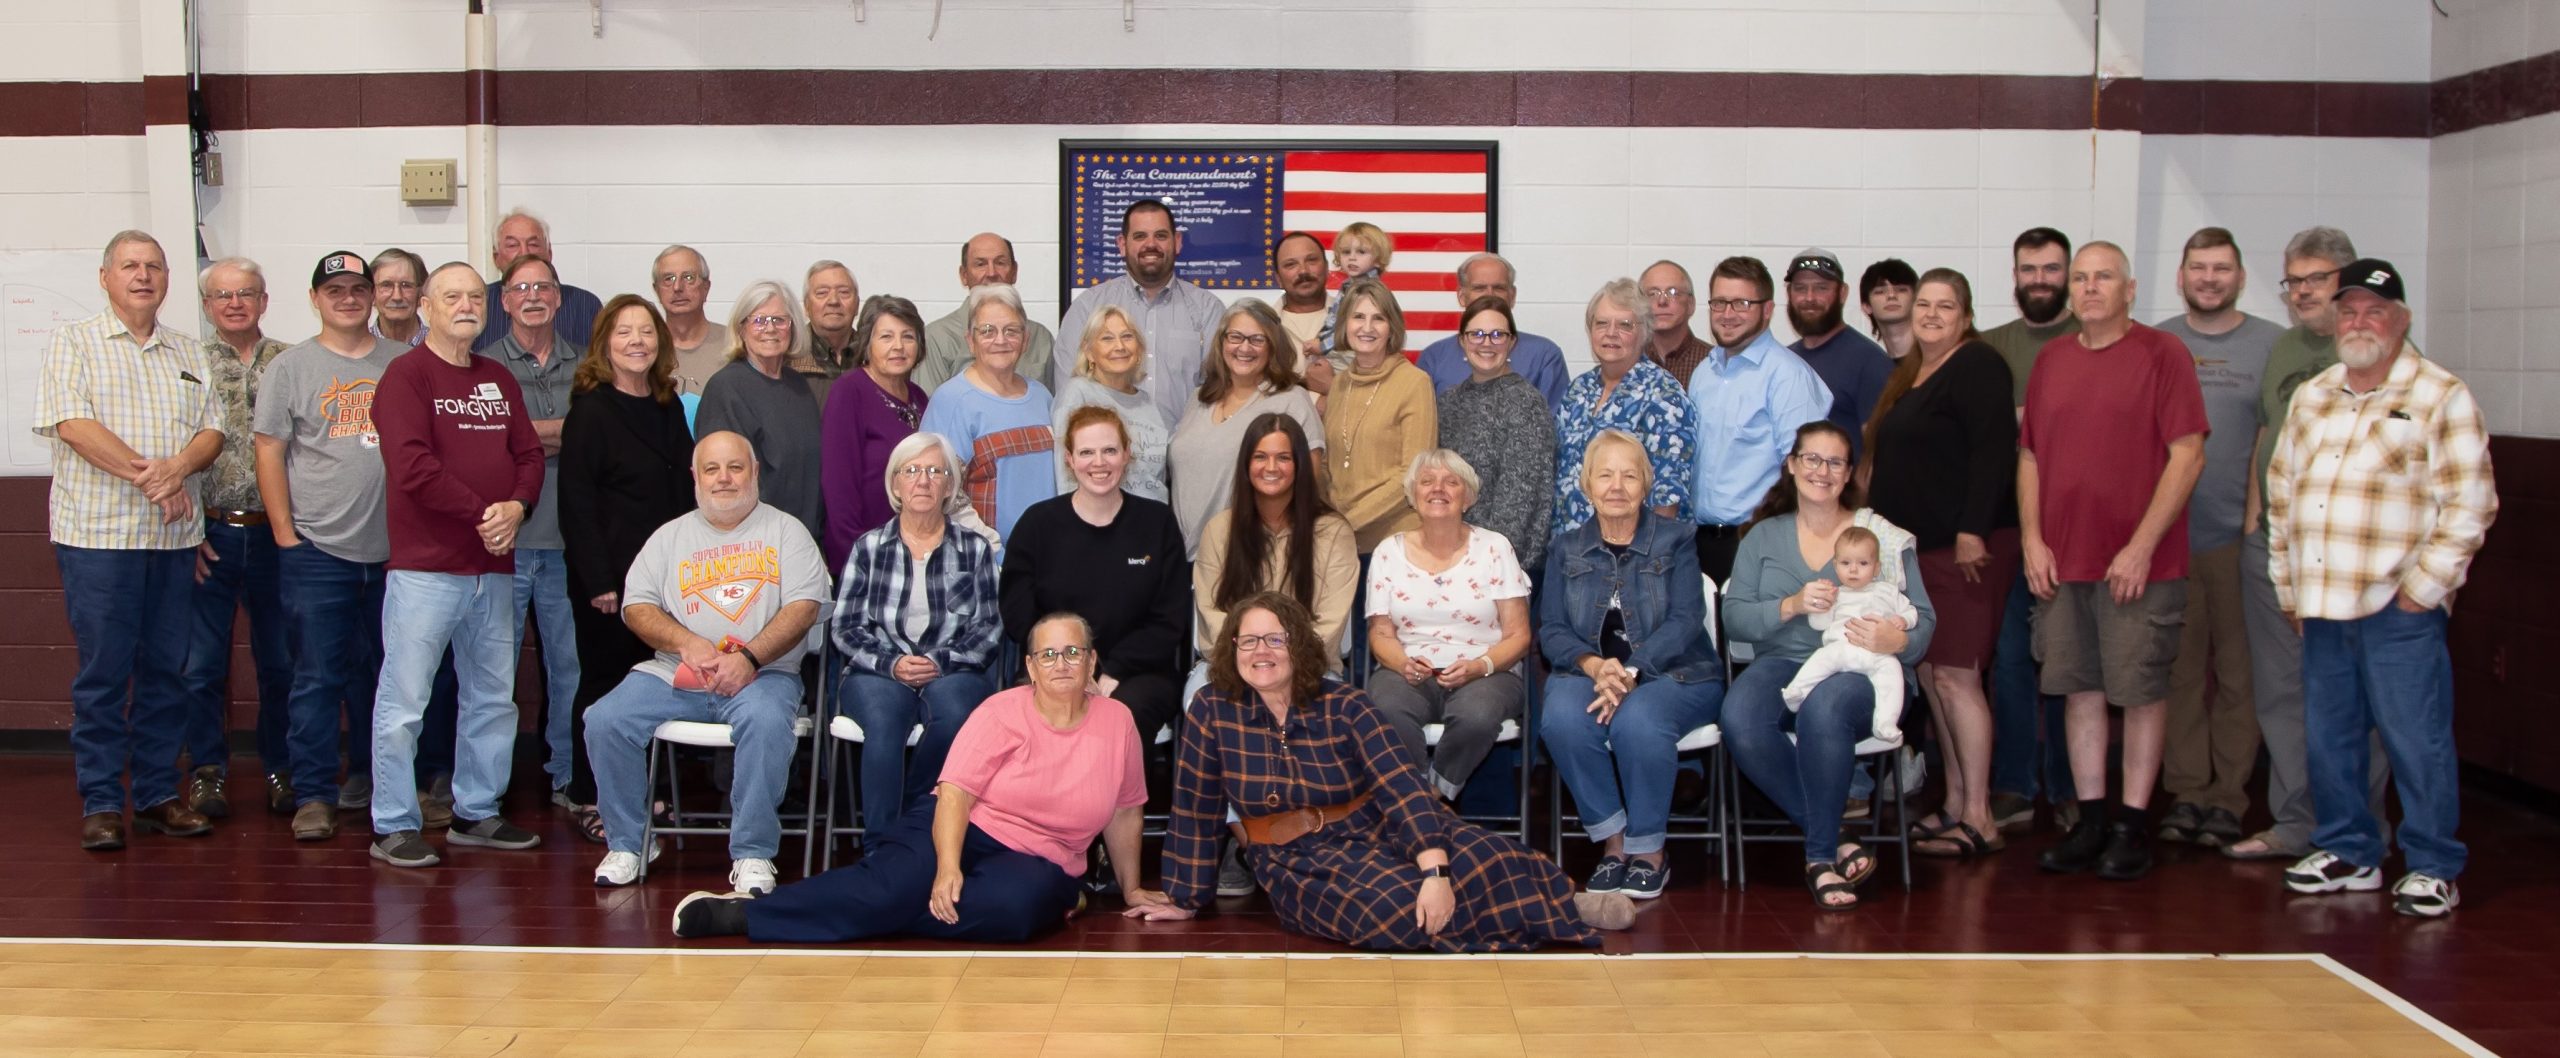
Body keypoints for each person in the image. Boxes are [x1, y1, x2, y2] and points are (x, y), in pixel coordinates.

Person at [1125, 592, 1635, 948]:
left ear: (1298, 646)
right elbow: (1194, 810)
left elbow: (1401, 788)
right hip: (1293, 857)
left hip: (1374, 823)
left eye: (1275, 640)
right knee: (1395, 910)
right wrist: (1186, 898)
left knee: (1483, 856)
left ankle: (1567, 901)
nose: (1261, 652)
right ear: (1231, 649)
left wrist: (1434, 868)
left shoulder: (1346, 704)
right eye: (1248, 641)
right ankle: (1541, 915)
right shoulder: (1212, 711)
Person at [675, 614, 1149, 943]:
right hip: (960, 824)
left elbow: (1126, 810)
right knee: (889, 885)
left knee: (1017, 913)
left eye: (1072, 652)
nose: (1061, 664)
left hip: (1042, 857)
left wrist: (1131, 890)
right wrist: (947, 868)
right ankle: (747, 914)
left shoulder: (1117, 721)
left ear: (1092, 661)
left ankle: (879, 912)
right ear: (1029, 666)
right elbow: (956, 795)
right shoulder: (1001, 711)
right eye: (1047, 655)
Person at [2268, 259, 2495, 919]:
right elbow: (2283, 496)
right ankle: (2349, 850)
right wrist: (2290, 590)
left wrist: (2422, 591)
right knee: (2328, 736)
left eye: (2374, 311)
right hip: (2321, 604)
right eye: (2349, 311)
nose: (2359, 322)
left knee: (2415, 738)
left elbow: (2470, 506)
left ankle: (2432, 863)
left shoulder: (2439, 395)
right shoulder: (2314, 395)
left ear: (2401, 321)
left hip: (2399, 609)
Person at [2019, 241, 2207, 883]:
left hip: (2138, 564)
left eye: (2104, 277)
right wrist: (2031, 539)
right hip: (2061, 560)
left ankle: (2131, 826)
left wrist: (2142, 546)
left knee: (2141, 690)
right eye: (2081, 278)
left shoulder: (2164, 355)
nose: (2090, 288)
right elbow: (2031, 458)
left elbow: (2187, 456)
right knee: (2080, 688)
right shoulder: (2051, 360)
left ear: (2130, 288)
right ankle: (2091, 820)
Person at [42, 231, 225, 850]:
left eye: (153, 266)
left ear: (168, 278)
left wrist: (180, 468)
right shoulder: (75, 341)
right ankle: (100, 802)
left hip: (173, 542)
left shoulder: (189, 350)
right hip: (98, 539)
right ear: (105, 277)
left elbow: (213, 434)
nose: (142, 276)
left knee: (165, 674)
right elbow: (73, 425)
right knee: (102, 675)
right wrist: (156, 476)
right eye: (129, 266)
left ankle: (154, 795)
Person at [585, 431, 827, 894]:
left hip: (765, 674)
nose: (724, 479)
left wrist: (750, 657)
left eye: (735, 467)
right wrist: (686, 641)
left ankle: (753, 853)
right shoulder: (669, 536)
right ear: (696, 477)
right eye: (712, 469)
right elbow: (636, 607)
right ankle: (629, 842)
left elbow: (804, 607)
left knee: (766, 720)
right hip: (677, 673)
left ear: (755, 473)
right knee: (604, 719)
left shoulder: (785, 530)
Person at [367, 261, 547, 869]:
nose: (466, 304)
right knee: (406, 700)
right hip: (425, 569)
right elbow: (412, 466)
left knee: (493, 697)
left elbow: (528, 453)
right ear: (425, 306)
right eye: (452, 296)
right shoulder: (406, 376)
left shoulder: (498, 377)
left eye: (475, 296)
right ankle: (392, 822)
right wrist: (486, 515)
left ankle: (477, 810)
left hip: (491, 569)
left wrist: (518, 507)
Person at [2224, 226, 2395, 863]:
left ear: (2348, 282)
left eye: (2315, 279)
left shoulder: (2379, 352)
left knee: (2355, 696)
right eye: (2293, 280)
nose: (2300, 292)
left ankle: (2359, 830)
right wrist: (2251, 526)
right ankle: (2297, 824)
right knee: (2282, 694)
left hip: (2350, 559)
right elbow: (2266, 437)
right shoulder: (2283, 347)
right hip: (2273, 548)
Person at [1723, 422, 1935, 909]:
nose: (1821, 470)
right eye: (1811, 459)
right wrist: (1791, 605)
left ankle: (1819, 858)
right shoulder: (1762, 537)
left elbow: (1923, 622)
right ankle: (1836, 835)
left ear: (1848, 474)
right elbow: (1734, 619)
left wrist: (1895, 637)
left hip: (1866, 670)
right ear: (1792, 465)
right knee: (1740, 718)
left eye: (1834, 462)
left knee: (1825, 709)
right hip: (1784, 662)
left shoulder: (1878, 536)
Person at [1862, 268, 2020, 857]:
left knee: (1958, 675)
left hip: (1965, 551)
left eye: (1944, 305)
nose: (1930, 314)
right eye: (1923, 304)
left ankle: (1980, 816)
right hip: (1917, 552)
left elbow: (1992, 450)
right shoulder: (1912, 373)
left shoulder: (1977, 365)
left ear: (1966, 313)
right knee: (1931, 675)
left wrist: (1972, 530)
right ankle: (1954, 803)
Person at [254, 251, 412, 840]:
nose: (347, 297)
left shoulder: (403, 362)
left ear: (373, 296)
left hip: (397, 552)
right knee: (316, 677)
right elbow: (268, 448)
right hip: (317, 549)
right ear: (316, 298)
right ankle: (314, 793)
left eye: (357, 288)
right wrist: (285, 536)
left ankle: (379, 784)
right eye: (334, 289)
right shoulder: (291, 367)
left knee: (388, 677)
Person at [1540, 430, 1725, 899]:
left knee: (1638, 720)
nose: (1616, 486)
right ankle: (1613, 844)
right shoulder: (1566, 547)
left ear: (1646, 484)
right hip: (1591, 674)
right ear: (1586, 485)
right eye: (1605, 475)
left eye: (1629, 475)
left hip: (1676, 674)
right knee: (1562, 717)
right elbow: (1553, 631)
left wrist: (1632, 669)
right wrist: (1594, 665)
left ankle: (1649, 853)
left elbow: (1686, 620)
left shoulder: (1677, 538)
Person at [2153, 227, 2281, 850]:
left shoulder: (2271, 346)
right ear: (2180, 276)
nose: (2209, 278)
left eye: (2221, 268)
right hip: (2168, 540)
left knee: (2238, 674)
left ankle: (2228, 797)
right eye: (2198, 267)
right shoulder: (2156, 344)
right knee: (2177, 673)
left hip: (2239, 538)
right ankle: (2186, 792)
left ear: (2239, 277)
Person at [557, 295, 695, 845]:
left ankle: (641, 790)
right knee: (603, 688)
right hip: (610, 582)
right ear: (604, 345)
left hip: (663, 580)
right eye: (624, 333)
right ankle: (593, 796)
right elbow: (576, 503)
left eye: (646, 332)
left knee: (651, 687)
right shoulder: (591, 409)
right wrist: (599, 582)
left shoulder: (666, 404)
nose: (637, 341)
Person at [831, 432, 1001, 842]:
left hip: (953, 669)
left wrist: (940, 662)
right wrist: (891, 664)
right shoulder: (869, 548)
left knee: (958, 717)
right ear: (895, 485)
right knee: (885, 723)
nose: (923, 481)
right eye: (912, 471)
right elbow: (846, 626)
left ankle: (914, 823)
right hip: (877, 672)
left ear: (948, 486)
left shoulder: (974, 549)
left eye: (934, 471)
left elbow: (989, 627)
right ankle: (882, 849)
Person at [1000, 406, 1189, 745]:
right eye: (1086, 452)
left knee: (1115, 719)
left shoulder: (1156, 523)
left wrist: (1113, 669)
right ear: (1070, 460)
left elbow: (1169, 619)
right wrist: (1071, 664)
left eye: (1109, 451)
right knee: (1034, 716)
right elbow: (1018, 612)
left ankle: (1119, 801)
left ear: (1127, 455)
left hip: (1138, 673)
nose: (1099, 463)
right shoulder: (1037, 525)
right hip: (1053, 666)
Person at [180, 255, 291, 820]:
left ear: (264, 301)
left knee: (280, 662)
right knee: (201, 665)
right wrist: (188, 527)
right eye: (222, 295)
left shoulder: (291, 361)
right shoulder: (186, 362)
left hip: (277, 535)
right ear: (207, 306)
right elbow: (175, 440)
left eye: (247, 292)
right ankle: (207, 772)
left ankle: (281, 767)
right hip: (210, 534)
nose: (235, 303)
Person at [1984, 226, 2085, 833]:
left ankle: (2074, 788)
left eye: (2052, 269)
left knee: (2074, 665)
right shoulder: (1992, 348)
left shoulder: (2092, 341)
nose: (2040, 280)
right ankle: (2015, 785)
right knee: (2014, 661)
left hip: (2077, 535)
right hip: (2009, 530)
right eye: (2029, 269)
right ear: (2015, 275)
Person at [1364, 449, 1534, 800]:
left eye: (1451, 482)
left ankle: (1429, 802)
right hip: (1408, 670)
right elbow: (1380, 633)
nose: (1437, 489)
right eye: (1426, 481)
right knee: (1383, 710)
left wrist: (1479, 666)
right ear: (1412, 495)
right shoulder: (1387, 553)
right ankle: (1418, 804)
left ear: (1467, 497)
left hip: (1489, 670)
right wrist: (1402, 663)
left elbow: (1519, 635)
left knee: (1477, 716)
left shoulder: (1495, 548)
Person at [487, 253, 585, 813]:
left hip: (567, 543)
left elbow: (593, 435)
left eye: (543, 286)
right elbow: (492, 441)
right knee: (494, 673)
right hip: (504, 544)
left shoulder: (589, 365)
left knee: (568, 670)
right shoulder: (482, 367)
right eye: (520, 287)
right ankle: (488, 790)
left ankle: (567, 777)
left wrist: (521, 432)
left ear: (558, 297)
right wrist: (549, 434)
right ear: (504, 300)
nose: (533, 296)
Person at [1689, 255, 1832, 584]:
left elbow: (1805, 472)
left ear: (1767, 310)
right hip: (1701, 544)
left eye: (1741, 303)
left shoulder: (1787, 375)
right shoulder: (1705, 372)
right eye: (1720, 302)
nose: (1727, 314)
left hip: (1758, 544)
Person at [1193, 414, 1359, 678]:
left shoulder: (1334, 532)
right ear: (1246, 464)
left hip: (1309, 669)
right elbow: (1211, 613)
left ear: (1299, 465)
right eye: (1260, 457)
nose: (1271, 467)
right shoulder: (1219, 530)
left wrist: (1279, 662)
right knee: (1199, 698)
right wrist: (1253, 658)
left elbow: (1330, 622)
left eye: (1283, 457)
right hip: (1233, 667)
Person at [1167, 299, 1325, 554]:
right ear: (1221, 342)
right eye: (1236, 337)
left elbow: (1309, 484)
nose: (1244, 347)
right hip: (1185, 557)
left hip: (1251, 555)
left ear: (1273, 345)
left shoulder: (1290, 400)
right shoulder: (1199, 398)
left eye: (1257, 339)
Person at [1054, 200, 1226, 426]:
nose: (1151, 244)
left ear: (1177, 242)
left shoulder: (1208, 309)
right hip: (1108, 455)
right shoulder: (1087, 308)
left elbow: (1220, 392)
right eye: (1140, 236)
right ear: (1122, 244)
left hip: (1185, 453)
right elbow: (1069, 390)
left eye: (1161, 236)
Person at [1555, 278, 1696, 536]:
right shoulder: (1578, 389)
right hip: (1571, 550)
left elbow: (1668, 495)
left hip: (1632, 555)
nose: (1611, 333)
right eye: (1601, 323)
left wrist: (1642, 559)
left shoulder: (1664, 395)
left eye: (1625, 325)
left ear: (1645, 333)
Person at [920, 283, 1057, 541]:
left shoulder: (1042, 397)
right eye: (987, 331)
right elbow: (943, 491)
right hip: (985, 559)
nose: (1000, 340)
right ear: (970, 341)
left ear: (1025, 340)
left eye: (1011, 331)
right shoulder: (951, 400)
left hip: (1046, 551)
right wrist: (991, 551)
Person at [696, 279, 826, 543]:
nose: (770, 329)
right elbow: (725, 485)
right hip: (751, 545)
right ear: (741, 329)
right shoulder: (726, 388)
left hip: (802, 539)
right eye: (759, 320)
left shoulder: (798, 386)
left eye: (780, 320)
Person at [1435, 296, 1555, 574]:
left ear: (1512, 343)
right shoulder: (1448, 402)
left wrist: (1484, 563)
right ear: (1462, 342)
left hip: (1501, 565)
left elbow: (1519, 502)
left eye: (1497, 335)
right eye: (1476, 334)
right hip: (1449, 557)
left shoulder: (1526, 403)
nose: (1486, 343)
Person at [1324, 278, 1438, 555]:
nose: (1366, 328)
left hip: (1395, 543)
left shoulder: (1414, 382)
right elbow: (1330, 463)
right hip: (1340, 542)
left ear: (1391, 328)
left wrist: (1348, 521)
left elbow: (1414, 471)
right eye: (1358, 317)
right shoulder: (1339, 383)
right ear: (1344, 324)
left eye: (1378, 318)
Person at [818, 294, 930, 567]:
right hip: (864, 554)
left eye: (908, 337)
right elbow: (838, 487)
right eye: (886, 337)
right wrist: (859, 556)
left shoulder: (919, 397)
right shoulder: (849, 391)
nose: (898, 347)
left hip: (913, 552)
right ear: (867, 343)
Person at [1778, 526, 1919, 736]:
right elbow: (1819, 624)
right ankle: (1797, 691)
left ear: (1877, 567)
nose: (1853, 570)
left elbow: (1911, 611)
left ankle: (1885, 723)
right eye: (1846, 563)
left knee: (1892, 677)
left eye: (1863, 563)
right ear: (1836, 566)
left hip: (1878, 654)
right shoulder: (1837, 594)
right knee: (1821, 659)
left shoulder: (1888, 591)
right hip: (1842, 649)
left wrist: (1903, 621)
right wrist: (1824, 603)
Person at [1412, 253, 1568, 410]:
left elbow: (1555, 425)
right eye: (1479, 288)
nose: (1489, 295)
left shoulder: (1544, 356)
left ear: (1512, 296)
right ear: (1461, 296)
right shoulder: (1434, 358)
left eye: (1499, 288)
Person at [1783, 249, 1893, 460]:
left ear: (1842, 293)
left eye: (1821, 288)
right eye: (1800, 288)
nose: (1809, 297)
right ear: (1789, 294)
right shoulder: (1786, 360)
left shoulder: (1870, 363)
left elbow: (1881, 455)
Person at [1051, 306, 1170, 501]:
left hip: (1151, 521)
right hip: (1098, 523)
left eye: (1127, 337)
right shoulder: (1078, 393)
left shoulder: (1148, 403)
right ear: (1089, 352)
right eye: (1107, 338)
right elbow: (1065, 475)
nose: (1120, 346)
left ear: (1139, 349)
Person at [920, 234, 1056, 394]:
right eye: (980, 264)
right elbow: (929, 408)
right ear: (964, 275)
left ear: (1014, 272)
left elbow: (1053, 407)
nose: (991, 273)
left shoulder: (1040, 337)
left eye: (1000, 263)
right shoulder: (936, 337)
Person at [473, 208, 601, 353]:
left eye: (533, 244)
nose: (524, 253)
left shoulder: (584, 305)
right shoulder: (480, 304)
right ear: (496, 258)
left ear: (549, 253)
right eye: (512, 245)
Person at [652, 245, 731, 395]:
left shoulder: (735, 345)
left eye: (688, 277)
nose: (677, 287)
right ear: (656, 290)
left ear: (706, 287)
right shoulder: (643, 347)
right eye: (668, 279)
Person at [1314, 220, 1391, 352]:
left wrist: (1322, 346)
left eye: (1361, 252)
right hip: (1340, 349)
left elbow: (1354, 329)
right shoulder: (1349, 285)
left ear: (1378, 260)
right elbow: (1335, 322)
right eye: (1346, 252)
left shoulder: (1370, 291)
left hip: (1355, 353)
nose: (1352, 258)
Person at [1269, 232, 1333, 383]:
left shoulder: (1355, 319)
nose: (1303, 271)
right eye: (1291, 264)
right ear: (1278, 279)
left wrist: (1332, 389)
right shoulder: (1261, 327)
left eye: (1311, 260)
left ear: (1326, 268)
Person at [802, 260, 863, 394]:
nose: (834, 301)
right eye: (822, 293)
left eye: (844, 292)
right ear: (806, 306)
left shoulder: (873, 357)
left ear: (857, 305)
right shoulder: (787, 358)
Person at [1860, 258, 1919, 361]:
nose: (1891, 295)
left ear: (1917, 300)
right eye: (1880, 291)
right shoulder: (1873, 368)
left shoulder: (1941, 359)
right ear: (1867, 306)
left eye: (1901, 290)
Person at [368, 248, 427, 347]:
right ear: (372, 294)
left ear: (421, 293)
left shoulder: (443, 349)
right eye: (386, 285)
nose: (397, 297)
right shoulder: (355, 350)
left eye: (406, 285)